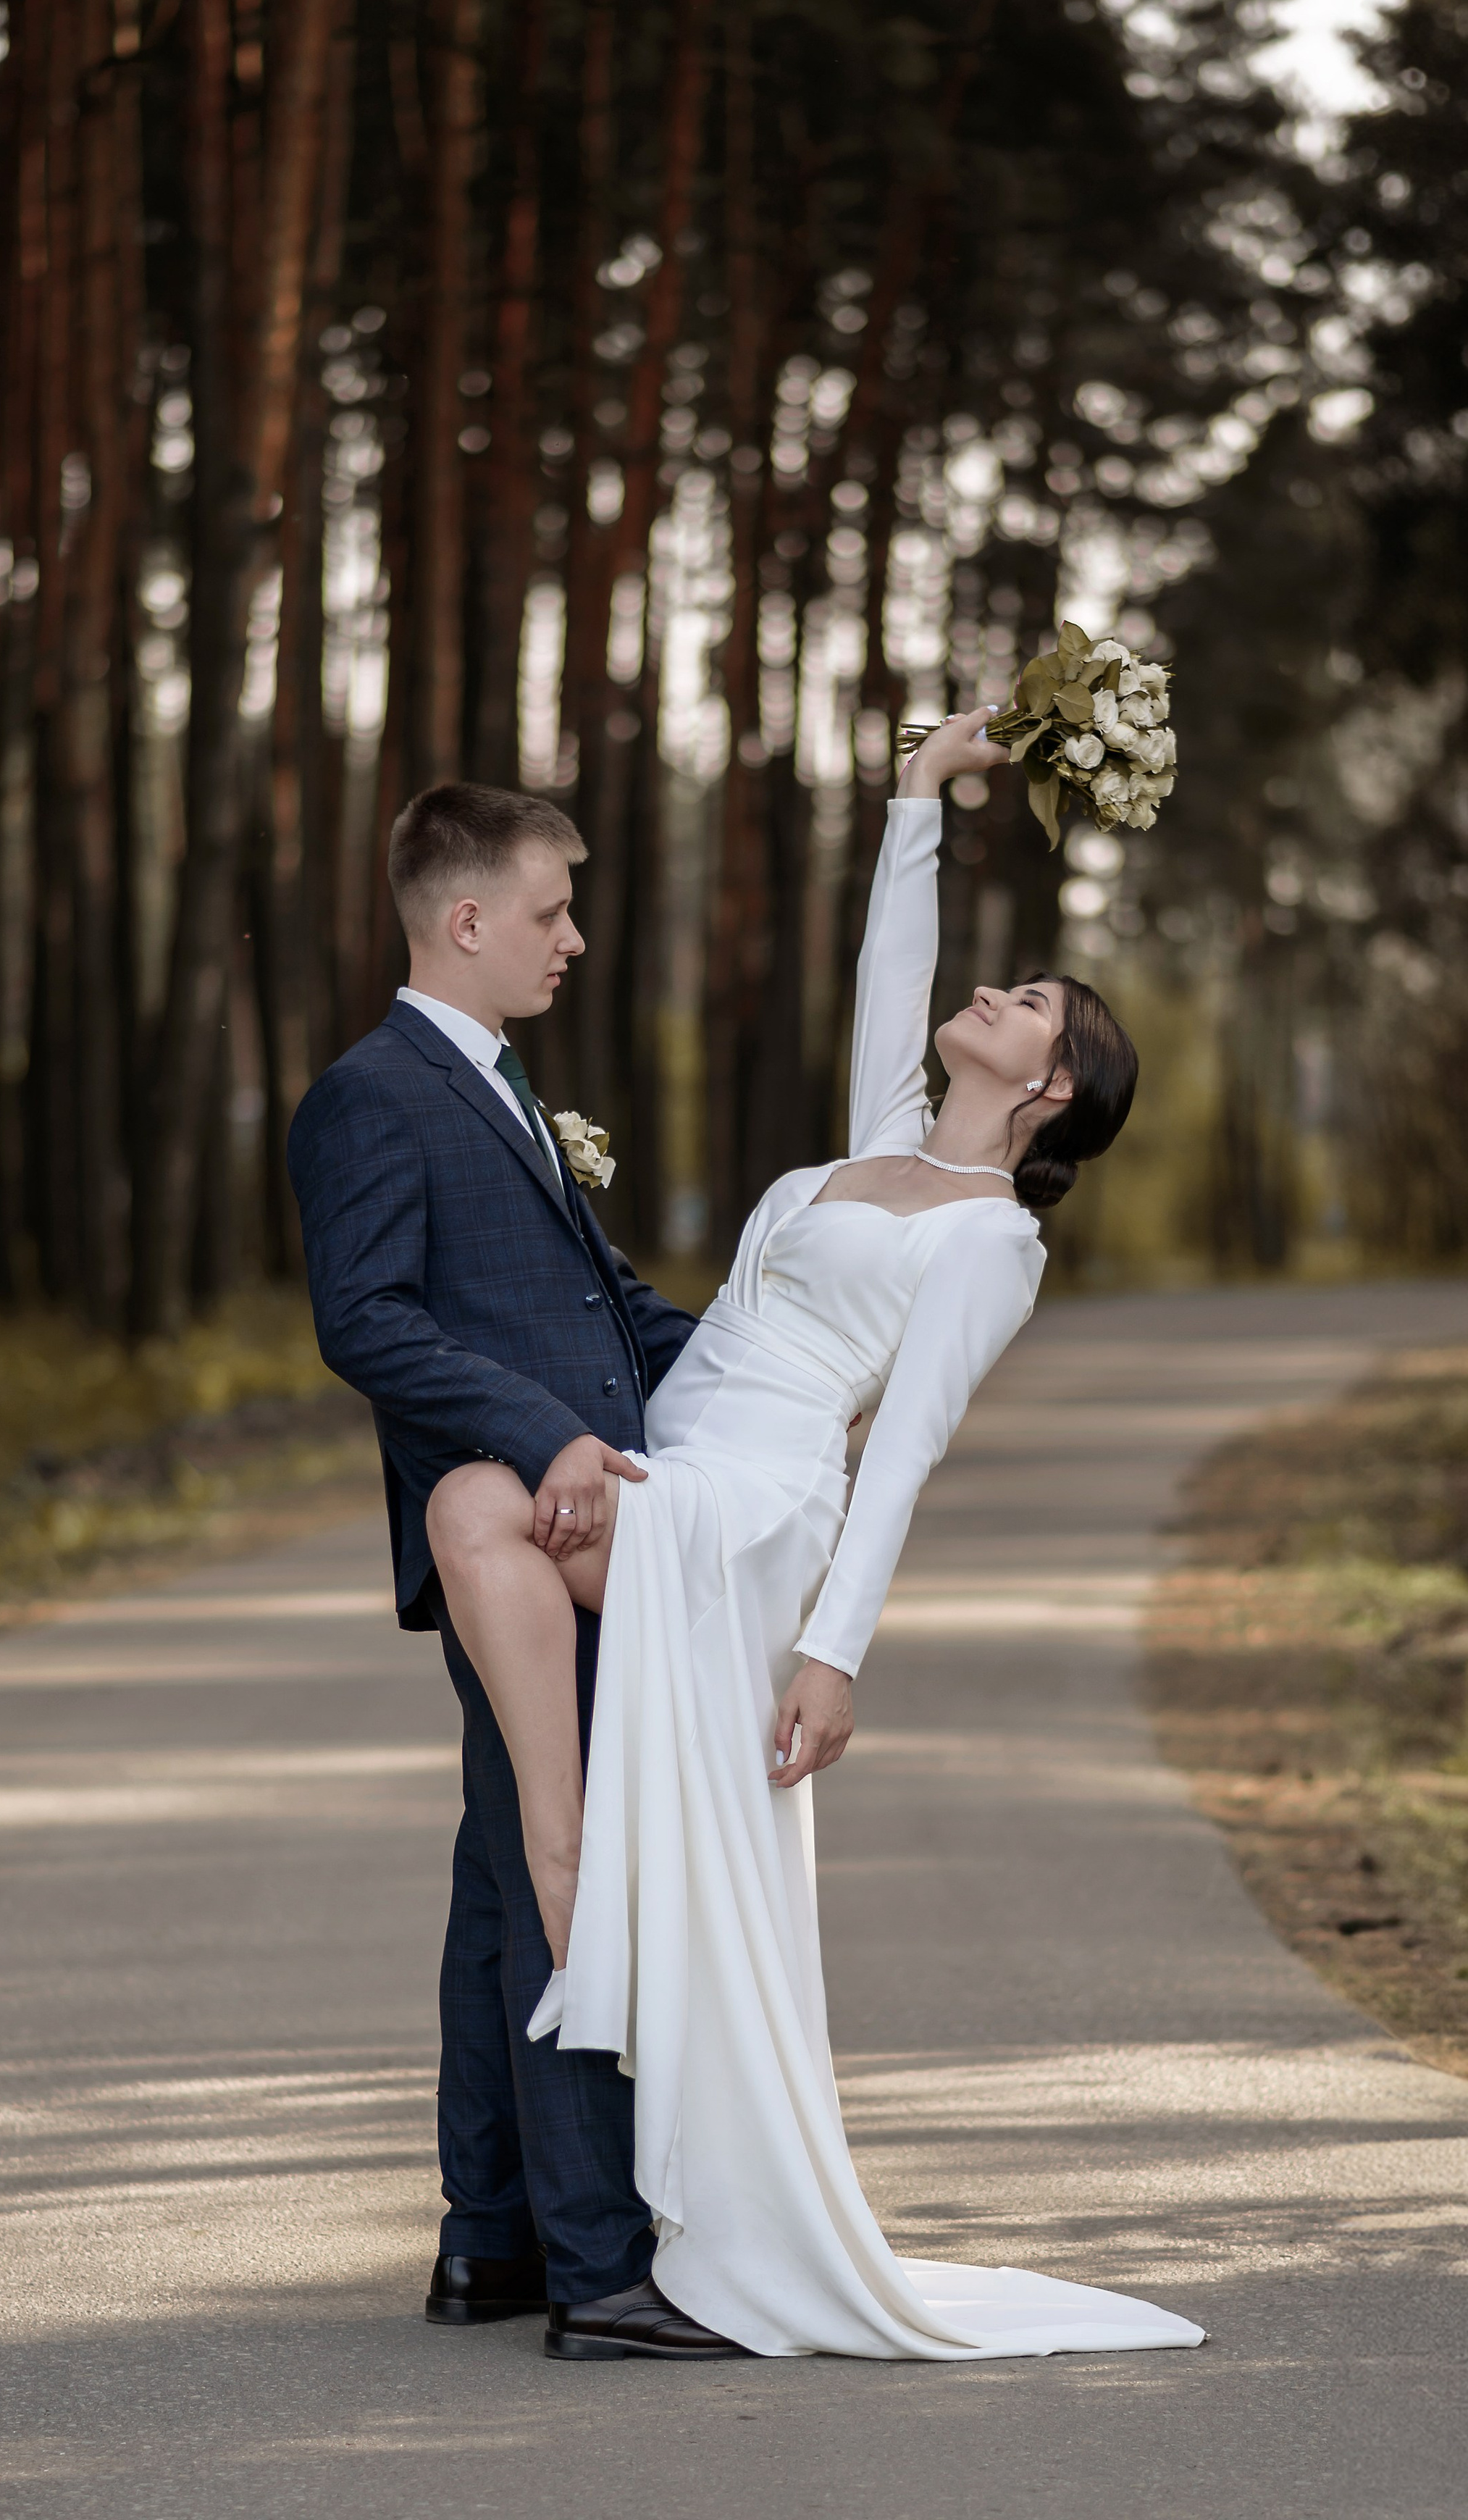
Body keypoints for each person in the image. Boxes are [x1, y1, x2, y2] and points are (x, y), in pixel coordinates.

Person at [425, 709, 1207, 2360]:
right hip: (670, 1452)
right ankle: (575, 1870)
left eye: (1025, 1007)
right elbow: (885, 968)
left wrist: (832, 1653)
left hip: (751, 1506)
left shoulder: (991, 1242)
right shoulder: (872, 1147)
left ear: (1049, 1083)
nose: (987, 1000)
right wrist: (917, 796)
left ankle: (566, 1874)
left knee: (472, 1502)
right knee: (475, 1510)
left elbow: (902, 1453)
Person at [288, 780, 737, 2361]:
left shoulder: (496, 1085)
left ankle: (491, 2242)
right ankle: (602, 2268)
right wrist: (541, 1431)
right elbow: (369, 1322)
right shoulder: (371, 1094)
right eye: (549, 909)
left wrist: (782, 1380)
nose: (574, 936)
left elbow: (612, 1307)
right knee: (572, 1870)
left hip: (582, 1522)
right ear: (464, 919)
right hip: (530, 1540)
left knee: (504, 1874)